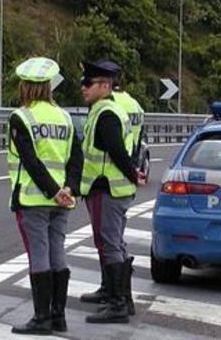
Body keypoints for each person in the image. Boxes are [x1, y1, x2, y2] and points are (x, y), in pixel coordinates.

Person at [7, 57, 83, 335]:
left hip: (34, 199)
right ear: (49, 86)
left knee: (39, 256)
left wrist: (53, 191)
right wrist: (68, 190)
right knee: (57, 253)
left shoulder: (21, 117)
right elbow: (77, 158)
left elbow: (31, 162)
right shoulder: (65, 117)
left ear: (25, 86)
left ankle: (41, 319)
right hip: (62, 201)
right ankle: (58, 316)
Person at [79, 60, 146, 324]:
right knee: (112, 242)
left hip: (107, 187)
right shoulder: (104, 110)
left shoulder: (106, 113)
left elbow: (117, 150)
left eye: (88, 83)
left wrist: (132, 173)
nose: (83, 88)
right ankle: (118, 297)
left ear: (105, 86)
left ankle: (117, 305)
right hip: (108, 188)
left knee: (110, 244)